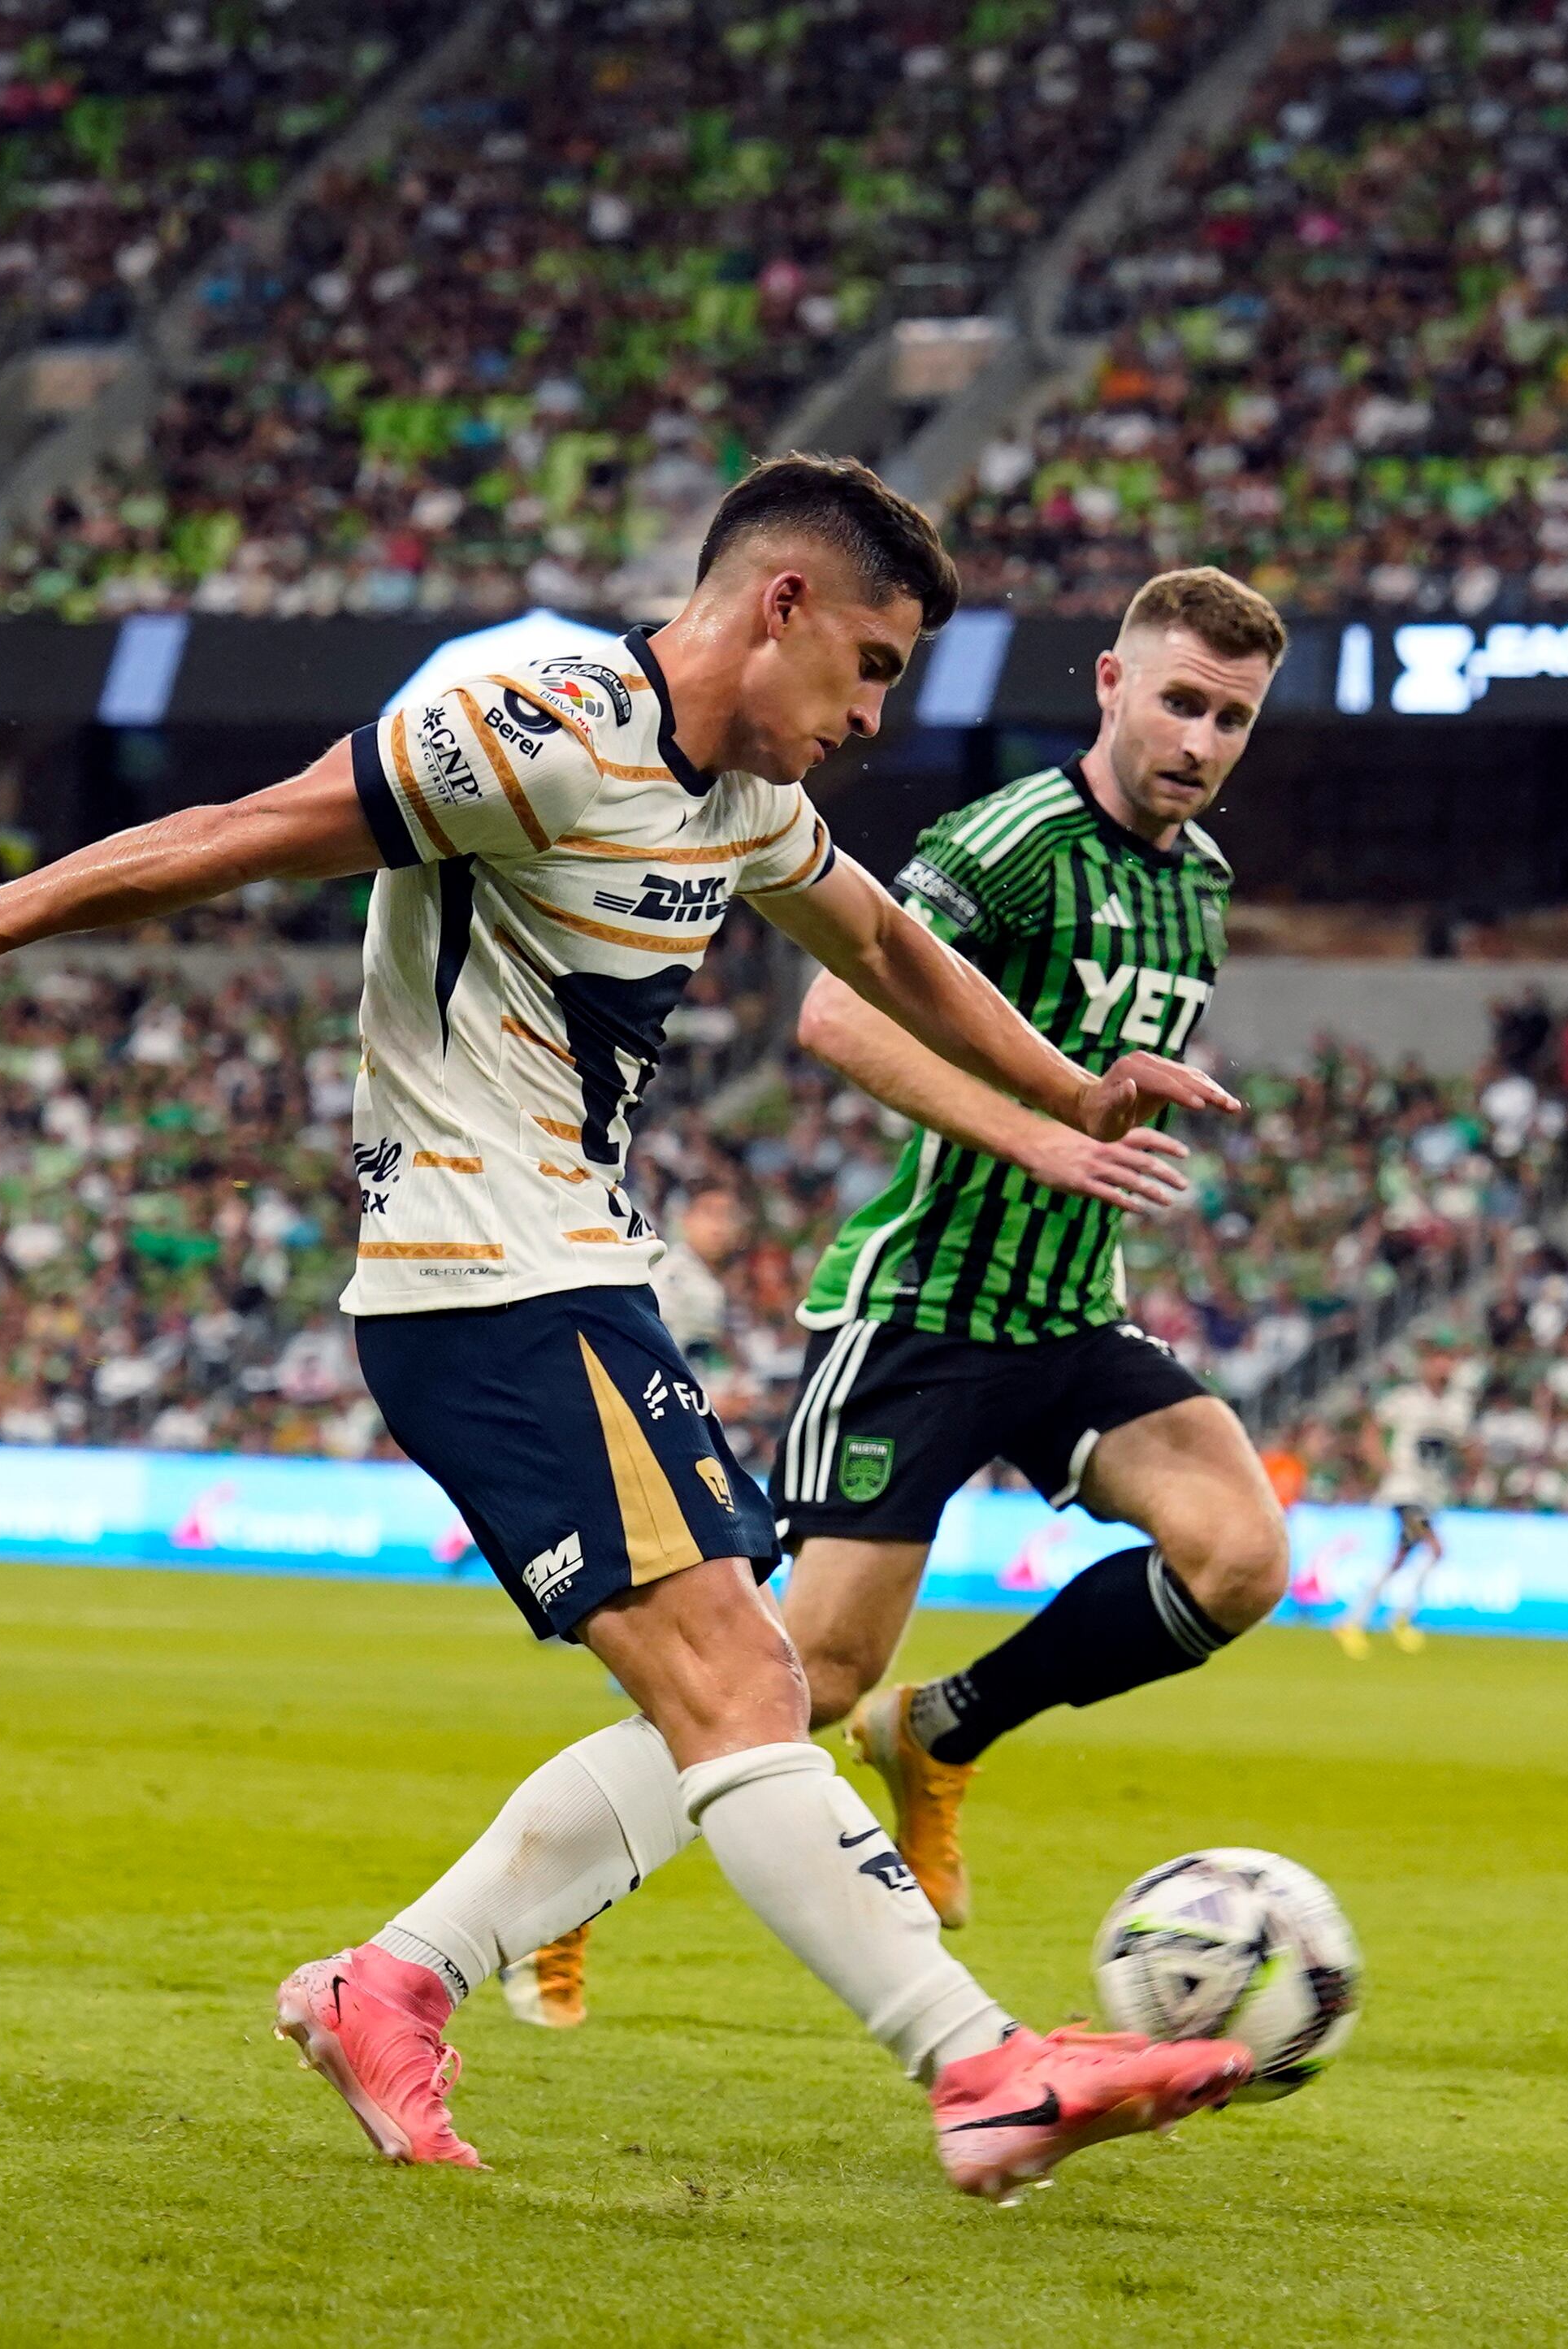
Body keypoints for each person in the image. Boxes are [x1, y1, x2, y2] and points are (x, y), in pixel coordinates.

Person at [0, 455, 1257, 2199]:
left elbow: (885, 944)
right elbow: (236, 836)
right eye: (871, 662)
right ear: (779, 605)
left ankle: (396, 1978)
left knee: (737, 1687)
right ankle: (979, 2064)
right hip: (475, 1273)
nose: (875, 711)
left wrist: (1070, 1083)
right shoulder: (536, 719)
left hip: (572, 1270)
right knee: (745, 1681)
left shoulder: (735, 798)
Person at [505, 566, 1289, 2023]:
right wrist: (1047, 1130)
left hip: (1067, 1313)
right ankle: (550, 1897)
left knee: (1239, 1555)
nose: (1200, 739)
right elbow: (834, 1012)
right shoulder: (1005, 841)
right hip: (923, 1310)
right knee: (795, 1680)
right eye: (1179, 699)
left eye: (1233, 717)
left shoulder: (1202, 885)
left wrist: (1087, 1149)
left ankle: (947, 1730)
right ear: (1113, 686)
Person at [1341, 1348, 1466, 1658]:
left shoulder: (1456, 1406)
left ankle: (1355, 1620)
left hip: (1430, 1492)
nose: (1444, 1366)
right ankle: (1400, 1618)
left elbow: (1459, 1445)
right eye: (1439, 1359)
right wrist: (1379, 1461)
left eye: (1448, 1360)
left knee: (1400, 1558)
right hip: (1405, 1491)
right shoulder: (1407, 1399)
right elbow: (1373, 1427)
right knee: (1435, 1548)